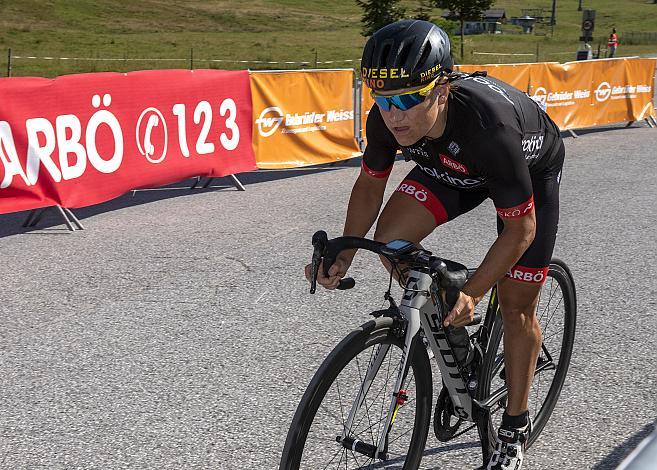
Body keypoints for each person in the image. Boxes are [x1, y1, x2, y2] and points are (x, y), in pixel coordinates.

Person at [305, 19, 566, 469]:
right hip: (449, 166)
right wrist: (344, 252)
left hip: (521, 168)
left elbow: (520, 230)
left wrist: (475, 290)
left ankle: (514, 425)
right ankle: (449, 327)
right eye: (382, 99)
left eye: (408, 99)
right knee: (390, 241)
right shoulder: (389, 120)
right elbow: (370, 187)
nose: (394, 115)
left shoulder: (490, 128)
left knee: (516, 303)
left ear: (442, 89)